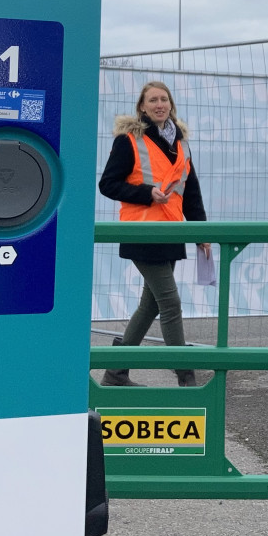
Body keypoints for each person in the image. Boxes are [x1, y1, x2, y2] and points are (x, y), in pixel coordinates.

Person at [97, 81, 209, 388]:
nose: (159, 104)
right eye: (152, 100)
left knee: (151, 304)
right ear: (142, 108)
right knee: (170, 303)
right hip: (142, 232)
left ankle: (116, 372)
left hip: (170, 233)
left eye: (164, 99)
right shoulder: (129, 140)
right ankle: (186, 377)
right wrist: (147, 193)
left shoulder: (181, 144)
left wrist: (202, 232)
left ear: (171, 105)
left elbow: (192, 193)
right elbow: (107, 184)